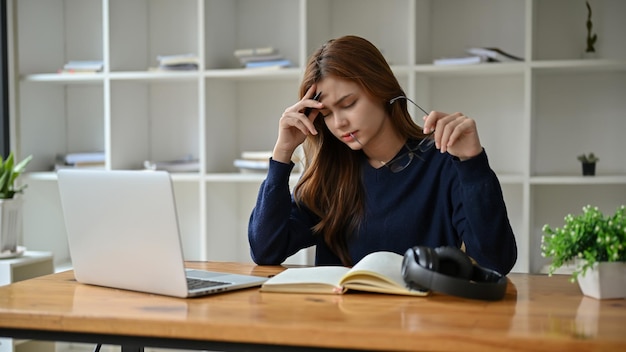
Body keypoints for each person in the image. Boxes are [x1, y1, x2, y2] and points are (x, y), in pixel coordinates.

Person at [248, 35, 517, 275]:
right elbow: (265, 250)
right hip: (340, 324)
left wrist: (472, 163)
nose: (339, 122)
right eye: (327, 114)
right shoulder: (330, 175)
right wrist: (282, 153)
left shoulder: (443, 160)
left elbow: (495, 262)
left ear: (382, 89)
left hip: (421, 323)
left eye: (348, 104)